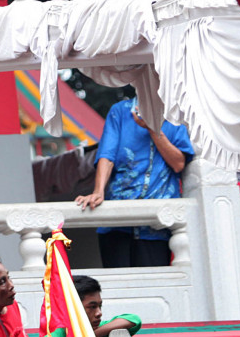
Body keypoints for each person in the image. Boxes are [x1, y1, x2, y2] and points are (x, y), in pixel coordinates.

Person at [75, 97, 194, 268]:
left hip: (157, 226)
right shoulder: (120, 111)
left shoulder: (176, 114)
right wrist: (98, 191)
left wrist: (153, 128)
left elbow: (178, 164)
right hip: (117, 224)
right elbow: (107, 156)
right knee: (118, 289)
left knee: (155, 289)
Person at [75, 275, 141, 337]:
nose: (99, 313)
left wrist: (93, 334)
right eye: (92, 307)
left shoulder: (96, 327)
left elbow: (134, 319)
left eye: (100, 306)